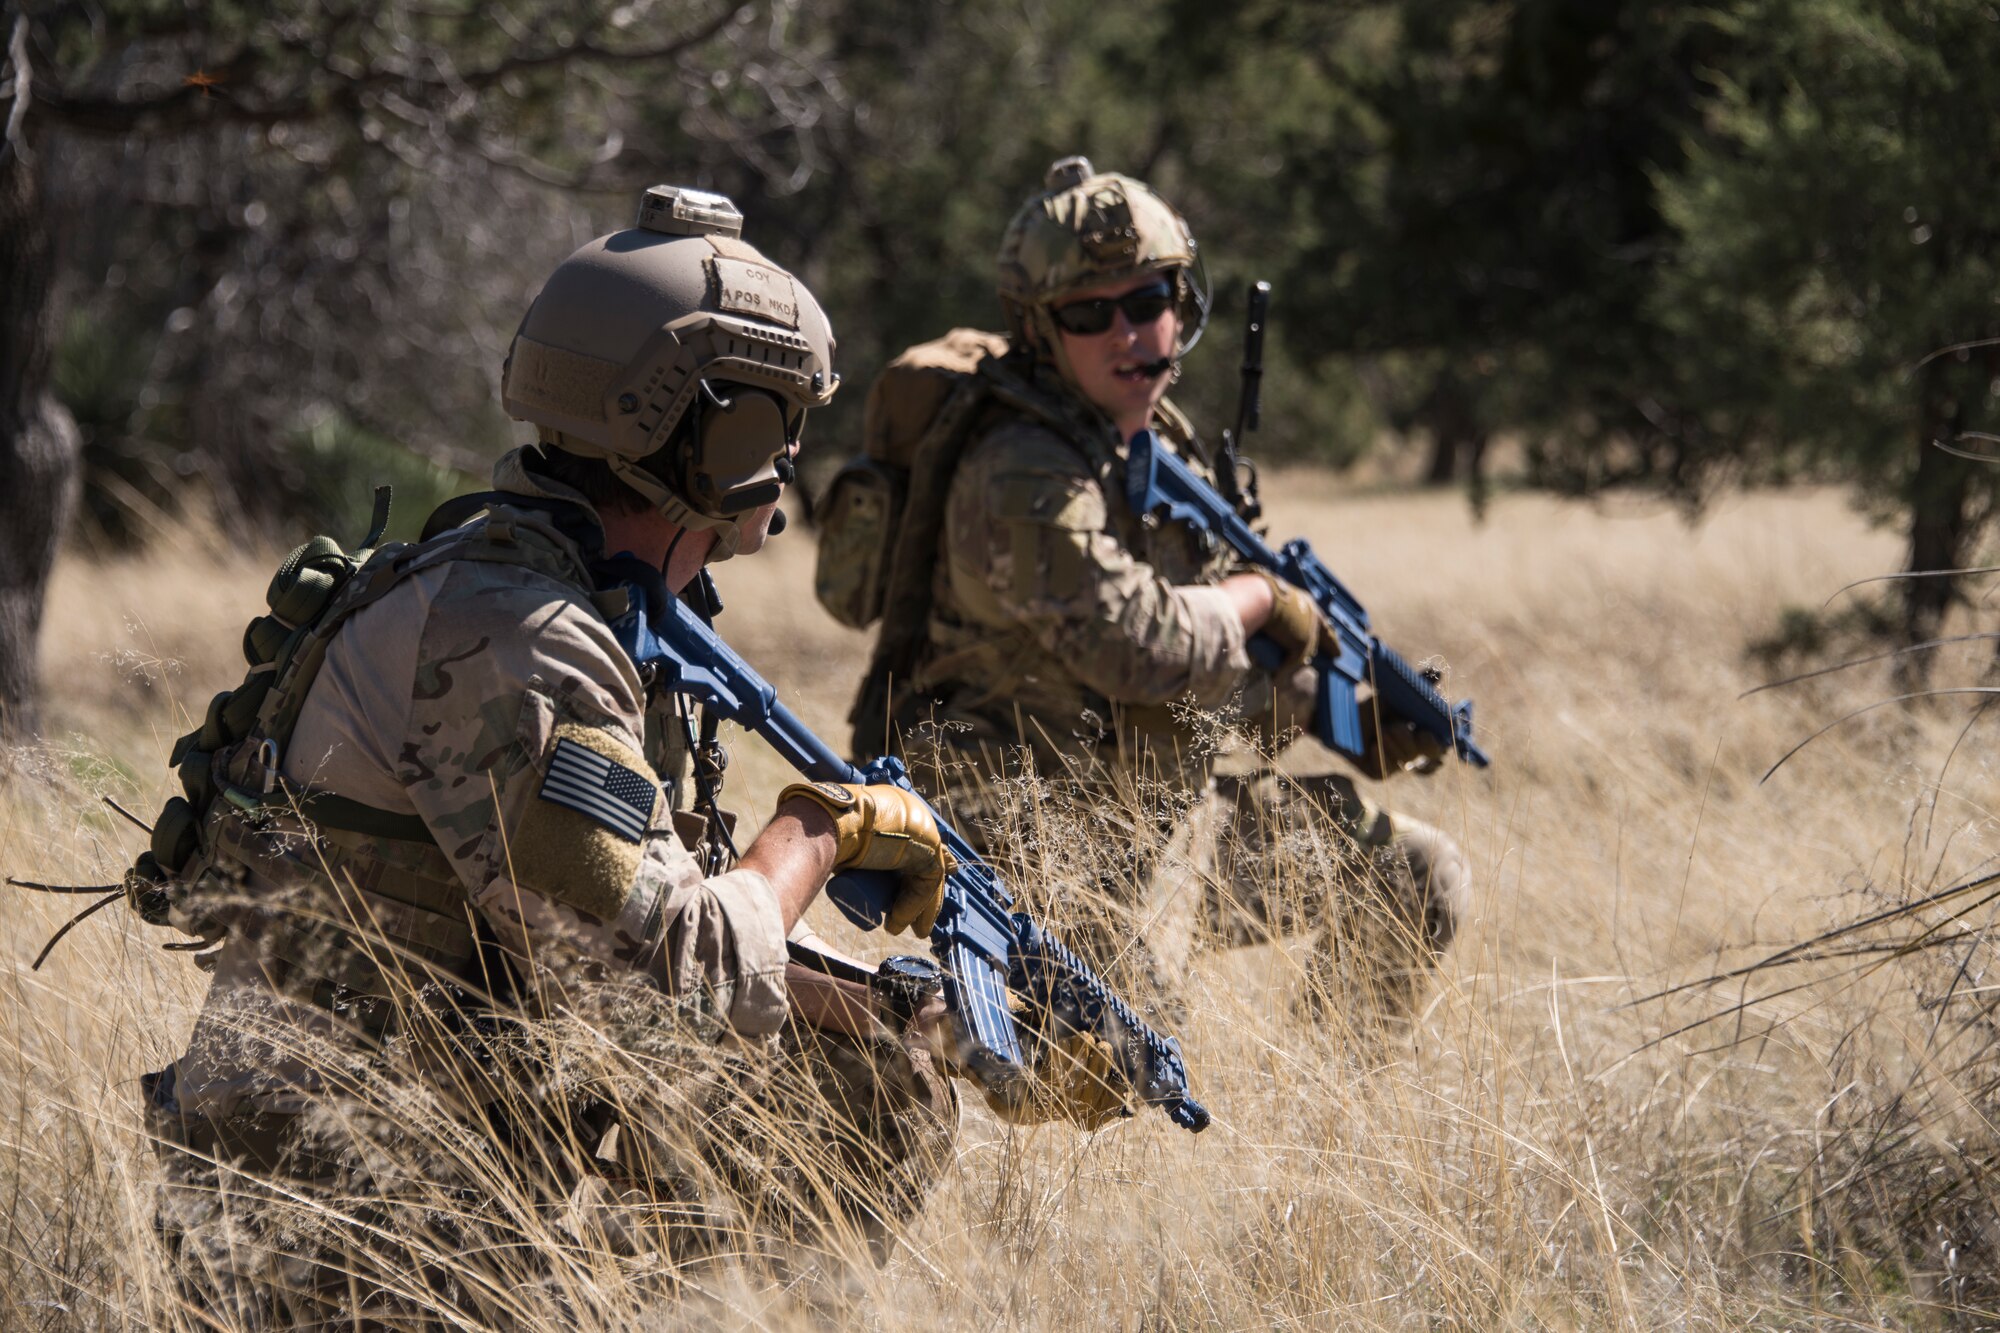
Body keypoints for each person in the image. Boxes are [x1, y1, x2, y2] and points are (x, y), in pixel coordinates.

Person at [137, 184, 1106, 1328]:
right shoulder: (519, 640)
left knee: (871, 1070)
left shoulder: (562, 588)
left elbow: (622, 930)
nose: (792, 455)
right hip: (328, 1218)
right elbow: (667, 976)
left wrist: (906, 1009)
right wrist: (821, 828)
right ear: (710, 432)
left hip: (421, 1129)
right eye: (779, 419)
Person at [865, 157, 1471, 1021]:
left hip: (1158, 818)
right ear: (1041, 328)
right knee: (1138, 1055)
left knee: (1414, 875)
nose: (1128, 333)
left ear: (1181, 306)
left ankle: (1334, 1136)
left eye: (1148, 302)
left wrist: (1352, 720)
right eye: (1089, 312)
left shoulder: (1158, 455)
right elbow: (1139, 647)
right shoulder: (1020, 470)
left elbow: (1210, 680)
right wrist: (1262, 602)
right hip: (1023, 836)